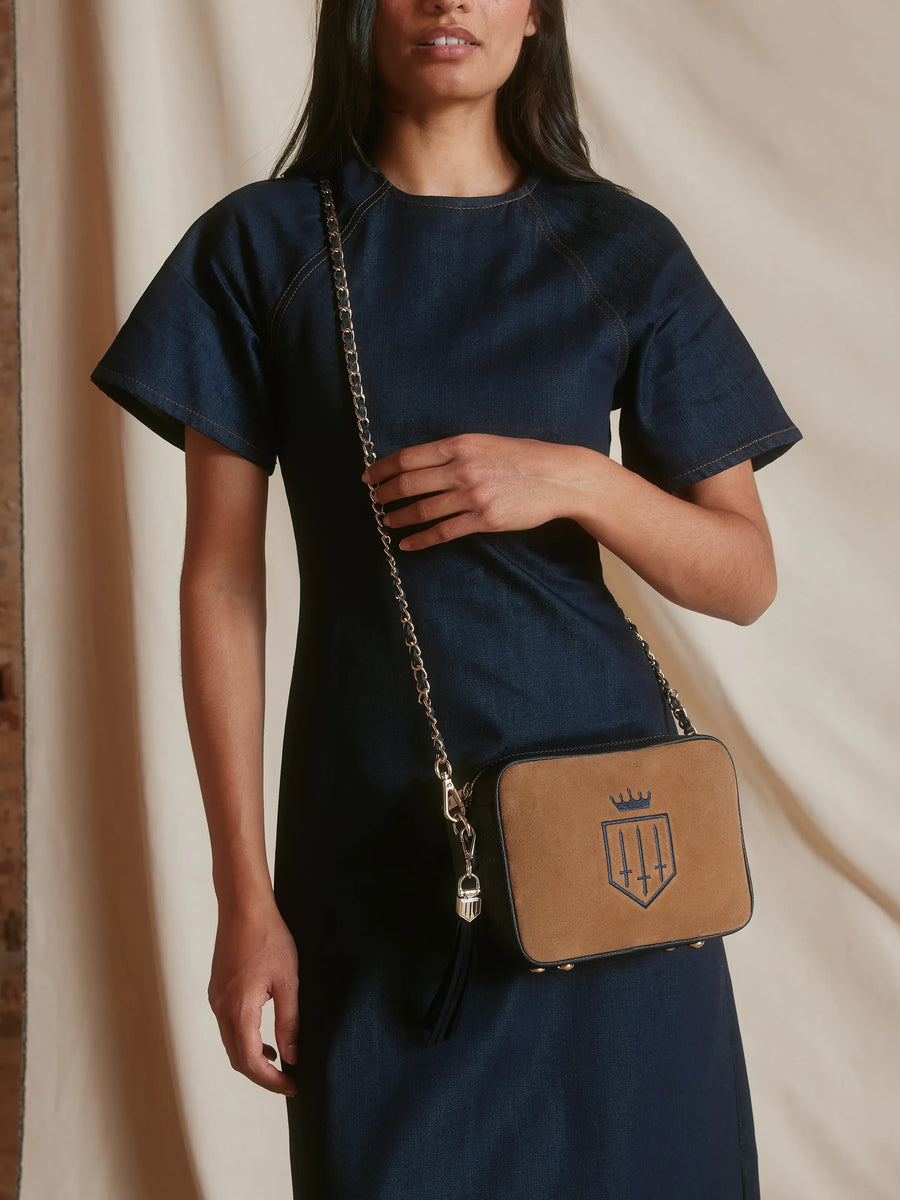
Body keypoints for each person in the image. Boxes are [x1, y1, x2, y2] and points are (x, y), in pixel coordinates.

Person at [91, 1, 802, 1196]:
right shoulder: (262, 247)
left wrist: (573, 479)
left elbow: (743, 577)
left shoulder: (622, 249)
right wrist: (244, 898)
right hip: (374, 849)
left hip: (609, 844)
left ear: (535, 16)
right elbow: (219, 581)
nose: (448, 1)